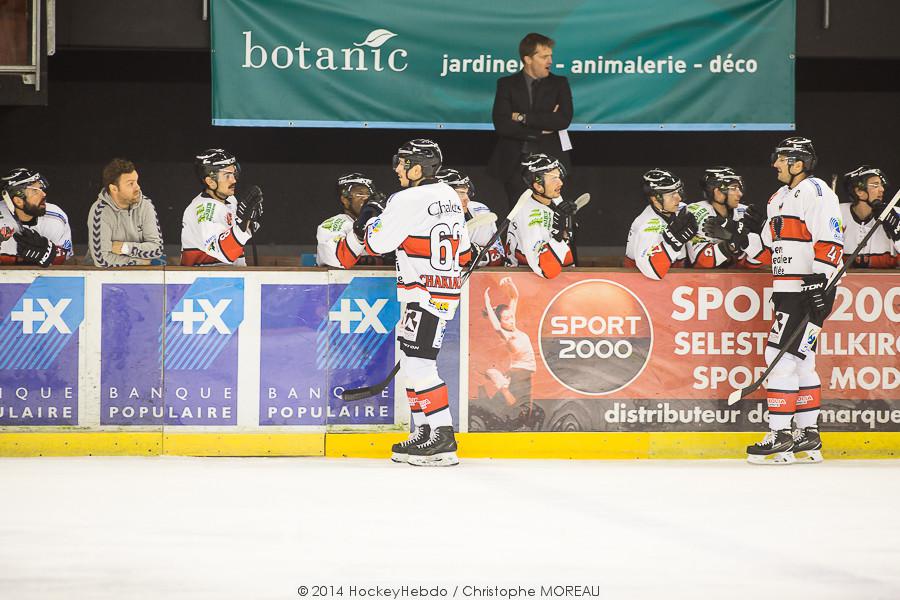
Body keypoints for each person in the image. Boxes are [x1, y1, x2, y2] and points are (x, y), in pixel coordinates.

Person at [357, 139, 472, 467]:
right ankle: (424, 431)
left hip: (422, 292)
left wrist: (371, 219)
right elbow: (464, 253)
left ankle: (443, 437)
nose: (397, 168)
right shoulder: (449, 194)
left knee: (420, 364)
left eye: (402, 163)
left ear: (418, 168)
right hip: (440, 291)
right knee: (411, 361)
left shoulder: (406, 198)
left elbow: (376, 244)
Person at [745, 137, 844, 465]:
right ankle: (807, 434)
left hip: (808, 291)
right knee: (802, 360)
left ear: (797, 163)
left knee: (779, 357)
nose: (775, 164)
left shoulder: (817, 191)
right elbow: (766, 250)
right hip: (788, 291)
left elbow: (831, 240)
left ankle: (780, 435)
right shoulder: (778, 198)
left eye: (781, 159)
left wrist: (820, 282)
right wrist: (738, 239)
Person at [488, 32, 573, 210]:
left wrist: (522, 117)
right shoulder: (506, 84)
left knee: (554, 213)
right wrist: (541, 129)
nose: (550, 61)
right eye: (544, 57)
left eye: (550, 56)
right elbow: (502, 124)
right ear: (527, 59)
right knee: (518, 213)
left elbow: (562, 120)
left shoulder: (559, 83)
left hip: (551, 160)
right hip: (515, 163)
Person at [180, 148, 263, 266]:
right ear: (210, 181)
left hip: (226, 276)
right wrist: (242, 224)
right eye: (227, 175)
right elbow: (222, 252)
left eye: (234, 173)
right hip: (205, 277)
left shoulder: (230, 200)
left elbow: (238, 236)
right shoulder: (202, 210)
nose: (234, 180)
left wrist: (250, 223)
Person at [480, 276, 542, 430]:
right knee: (520, 406)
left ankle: (502, 385)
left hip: (523, 371)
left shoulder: (513, 328)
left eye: (511, 316)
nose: (511, 320)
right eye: (506, 319)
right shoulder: (507, 335)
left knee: (522, 405)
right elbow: (496, 327)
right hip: (520, 372)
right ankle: (503, 387)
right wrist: (487, 304)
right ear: (501, 322)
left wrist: (511, 284)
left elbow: (514, 297)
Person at [506, 153, 576, 279]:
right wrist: (558, 234)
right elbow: (548, 271)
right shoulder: (530, 217)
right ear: (538, 186)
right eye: (554, 179)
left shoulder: (552, 197)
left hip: (558, 280)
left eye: (559, 177)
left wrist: (565, 228)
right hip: (526, 283)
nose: (560, 183)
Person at [87, 158, 164, 267]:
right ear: (114, 189)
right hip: (101, 275)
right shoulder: (100, 211)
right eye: (130, 184)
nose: (137, 187)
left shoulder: (146, 205)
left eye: (136, 181)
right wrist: (139, 262)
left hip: (139, 274)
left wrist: (125, 248)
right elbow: (102, 260)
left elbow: (157, 249)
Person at [624, 169, 698, 280]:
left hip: (675, 276)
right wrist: (673, 241)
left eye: (678, 191)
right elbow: (651, 272)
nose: (679, 198)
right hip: (641, 282)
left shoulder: (680, 208)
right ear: (655, 199)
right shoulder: (646, 224)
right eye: (672, 194)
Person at [690, 166, 769, 269]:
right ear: (717, 192)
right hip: (703, 278)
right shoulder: (695, 213)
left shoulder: (746, 213)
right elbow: (703, 261)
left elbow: (767, 261)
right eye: (733, 188)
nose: (740, 194)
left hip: (742, 276)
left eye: (739, 188)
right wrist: (734, 241)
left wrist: (761, 233)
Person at [0, 167, 72, 267]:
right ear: (18, 201)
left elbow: (67, 261)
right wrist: (18, 260)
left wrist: (51, 254)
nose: (44, 194)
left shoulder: (56, 217)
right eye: (35, 191)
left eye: (41, 189)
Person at [315, 172, 389, 268]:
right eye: (360, 194)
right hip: (341, 278)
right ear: (345, 200)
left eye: (369, 194)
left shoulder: (377, 223)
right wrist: (359, 232)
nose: (366, 198)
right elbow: (339, 259)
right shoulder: (333, 224)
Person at [435, 168, 504, 266]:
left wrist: (479, 255)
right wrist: (464, 254)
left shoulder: (480, 211)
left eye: (467, 193)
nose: (467, 199)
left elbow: (499, 256)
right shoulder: (426, 217)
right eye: (461, 193)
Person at [840, 166, 899, 268]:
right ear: (859, 191)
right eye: (875, 185)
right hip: (844, 278)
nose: (882, 189)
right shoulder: (838, 213)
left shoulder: (895, 214)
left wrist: (897, 230)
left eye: (881, 185)